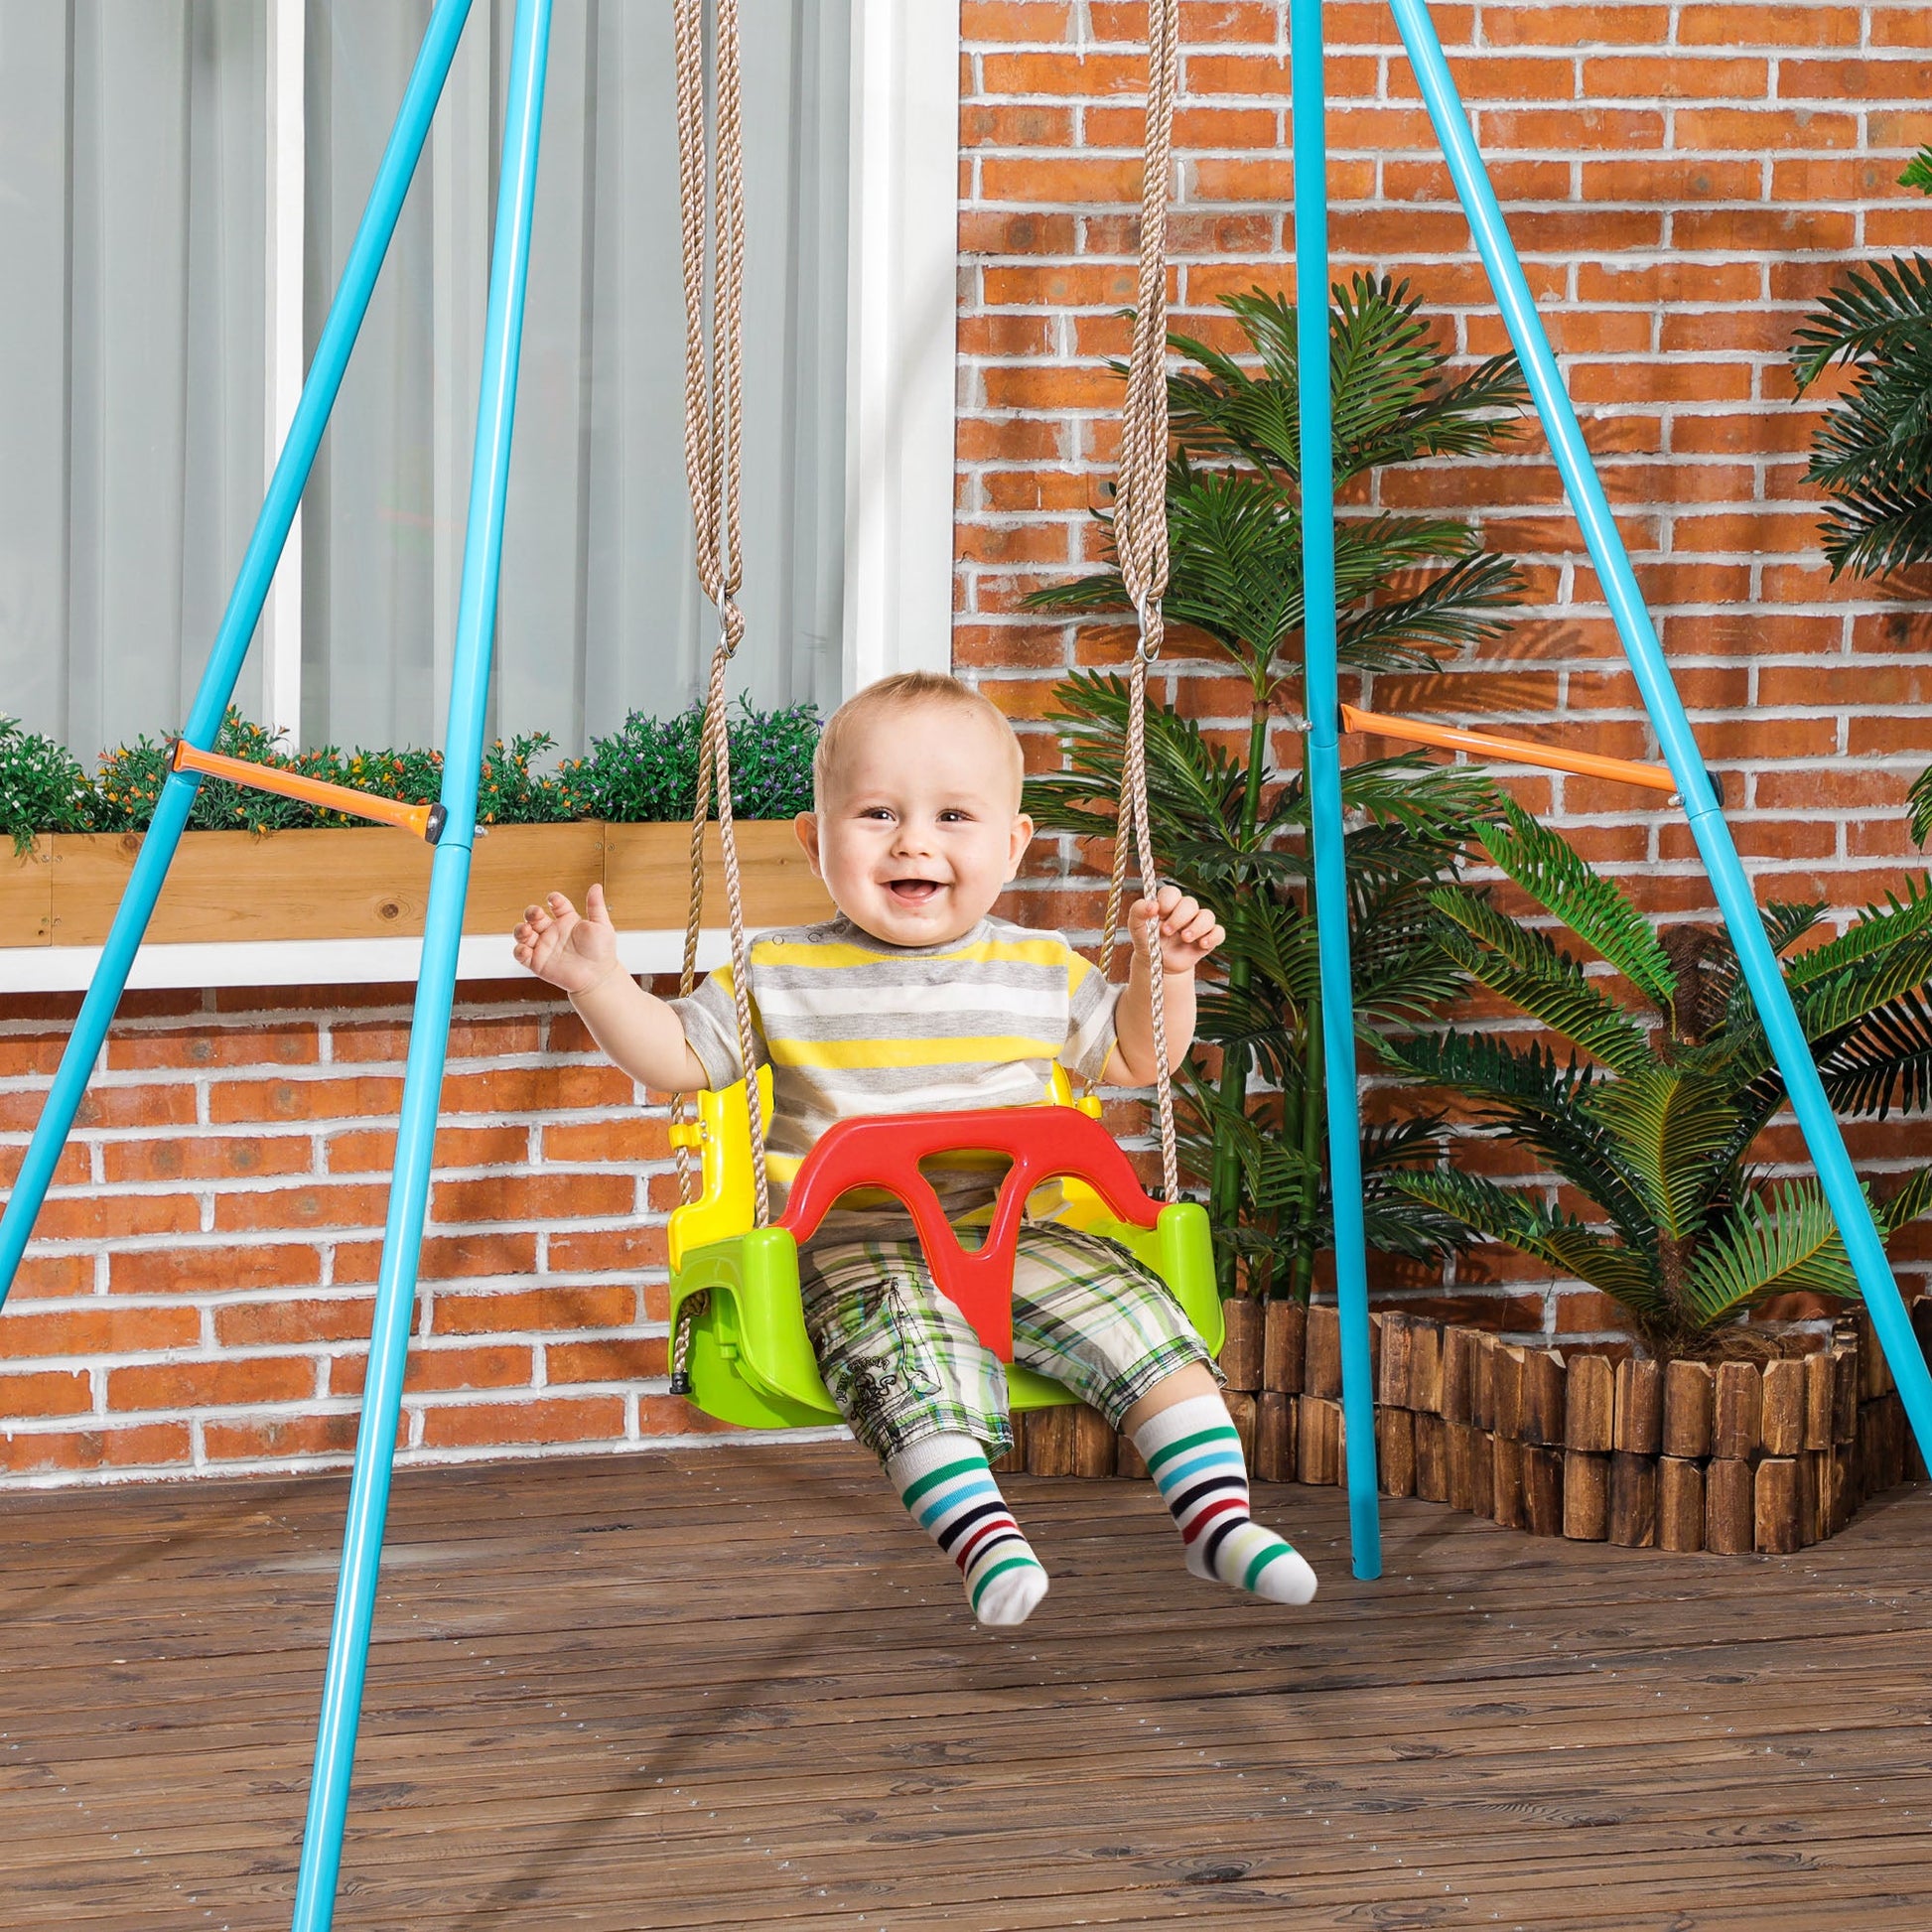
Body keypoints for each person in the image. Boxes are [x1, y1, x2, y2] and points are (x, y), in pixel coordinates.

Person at [512, 671, 1316, 1628]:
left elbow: (1141, 1056)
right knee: (908, 1358)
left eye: (953, 816)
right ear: (815, 840)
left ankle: (1219, 1522)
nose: (914, 842)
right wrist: (600, 985)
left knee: (1142, 1321)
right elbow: (677, 1057)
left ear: (1012, 845)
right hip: (859, 1247)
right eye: (878, 813)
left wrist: (1166, 972)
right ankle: (986, 1541)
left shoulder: (1040, 970)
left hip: (1016, 1234)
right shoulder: (778, 971)